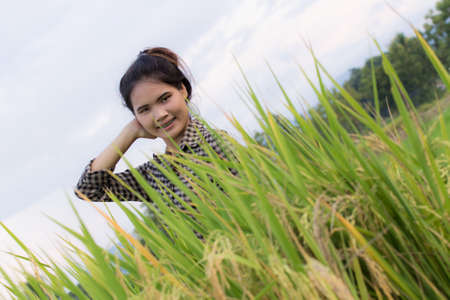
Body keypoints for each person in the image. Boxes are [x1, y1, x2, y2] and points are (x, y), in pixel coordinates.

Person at [75, 47, 234, 214]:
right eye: (144, 110)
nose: (159, 115)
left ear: (182, 90)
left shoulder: (215, 144)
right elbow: (88, 190)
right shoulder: (156, 173)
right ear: (136, 117)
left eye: (165, 99)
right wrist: (130, 132)